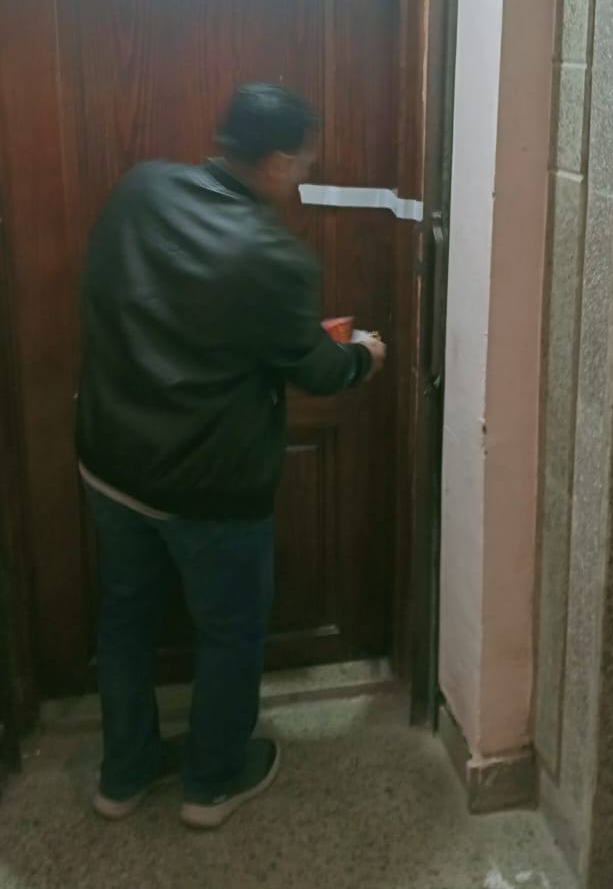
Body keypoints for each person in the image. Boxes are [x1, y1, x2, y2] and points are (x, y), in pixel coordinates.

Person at [75, 84, 387, 830]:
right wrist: (363, 357)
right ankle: (211, 783)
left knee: (124, 623)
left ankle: (123, 776)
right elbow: (316, 369)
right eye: (305, 162)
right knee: (229, 632)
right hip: (209, 488)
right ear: (276, 161)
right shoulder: (271, 256)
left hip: (112, 466)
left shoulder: (139, 188)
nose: (304, 175)